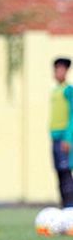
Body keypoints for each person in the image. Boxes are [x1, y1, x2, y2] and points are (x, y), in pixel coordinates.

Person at [49, 57, 73, 207]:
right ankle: (64, 206)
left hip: (64, 139)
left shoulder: (68, 90)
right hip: (55, 138)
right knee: (59, 173)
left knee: (65, 173)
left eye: (61, 69)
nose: (58, 72)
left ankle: (70, 208)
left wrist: (68, 138)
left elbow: (72, 115)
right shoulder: (55, 91)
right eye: (56, 69)